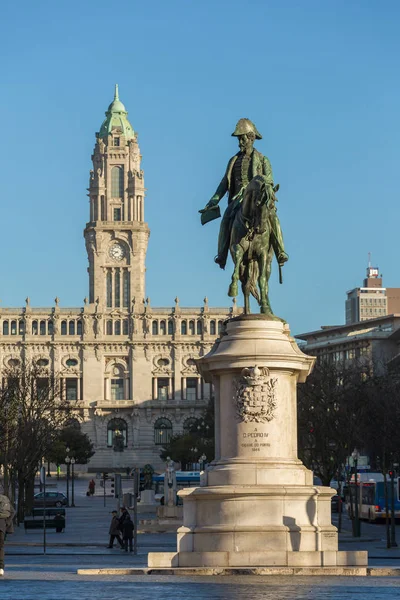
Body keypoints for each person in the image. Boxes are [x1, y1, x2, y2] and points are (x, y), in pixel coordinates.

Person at [200, 118, 288, 270]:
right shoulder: (233, 160)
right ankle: (221, 254)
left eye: (242, 139)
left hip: (259, 199)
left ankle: (280, 250)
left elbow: (270, 181)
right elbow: (224, 184)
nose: (240, 142)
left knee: (273, 217)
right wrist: (213, 201)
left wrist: (264, 190)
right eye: (239, 139)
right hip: (237, 200)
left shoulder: (262, 159)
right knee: (226, 219)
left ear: (251, 138)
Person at [0, 494, 15, 576]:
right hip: (2, 526)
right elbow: (13, 511)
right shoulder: (5, 499)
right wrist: (7, 523)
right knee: (1, 547)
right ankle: (1, 568)